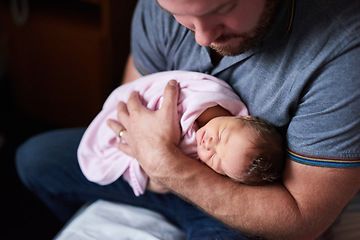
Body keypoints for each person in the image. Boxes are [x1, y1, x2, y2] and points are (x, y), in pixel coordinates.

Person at [15, 0, 360, 239]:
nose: (202, 38)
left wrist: (165, 164)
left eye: (221, 11)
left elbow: (301, 218)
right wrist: (150, 170)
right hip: (150, 173)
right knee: (33, 159)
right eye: (179, 15)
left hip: (241, 207)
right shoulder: (159, 8)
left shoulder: (344, 52)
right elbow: (132, 103)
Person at [78, 70, 284, 196]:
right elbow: (165, 93)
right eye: (222, 137)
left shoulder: (203, 157)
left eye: (215, 160)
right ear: (244, 118)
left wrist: (160, 156)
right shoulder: (210, 99)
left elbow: (170, 174)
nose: (210, 145)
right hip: (134, 115)